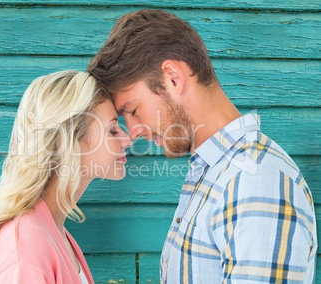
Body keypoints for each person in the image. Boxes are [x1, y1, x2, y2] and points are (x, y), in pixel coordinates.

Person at [87, 9, 317, 283]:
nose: (133, 131)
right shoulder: (217, 172)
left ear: (173, 77)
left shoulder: (256, 183)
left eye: (133, 110)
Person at [0, 70, 132, 284]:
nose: (127, 140)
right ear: (69, 141)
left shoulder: (54, 231)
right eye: (112, 130)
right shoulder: (25, 253)